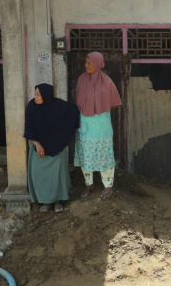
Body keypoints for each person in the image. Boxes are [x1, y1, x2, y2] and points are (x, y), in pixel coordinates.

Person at [24, 83, 80, 212]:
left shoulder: (57, 105)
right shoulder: (32, 106)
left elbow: (73, 110)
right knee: (39, 174)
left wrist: (62, 137)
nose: (35, 97)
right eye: (35, 94)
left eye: (38, 95)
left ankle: (58, 200)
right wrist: (38, 145)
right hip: (39, 147)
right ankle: (46, 201)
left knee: (57, 175)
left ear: (46, 95)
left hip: (56, 147)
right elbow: (29, 127)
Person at [75, 51, 122, 199]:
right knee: (85, 153)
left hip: (101, 124)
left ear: (97, 64)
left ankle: (108, 186)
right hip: (85, 124)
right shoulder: (81, 80)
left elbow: (114, 103)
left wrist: (99, 108)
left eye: (89, 63)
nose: (86, 65)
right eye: (86, 62)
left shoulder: (107, 82)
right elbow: (78, 100)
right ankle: (88, 184)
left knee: (104, 153)